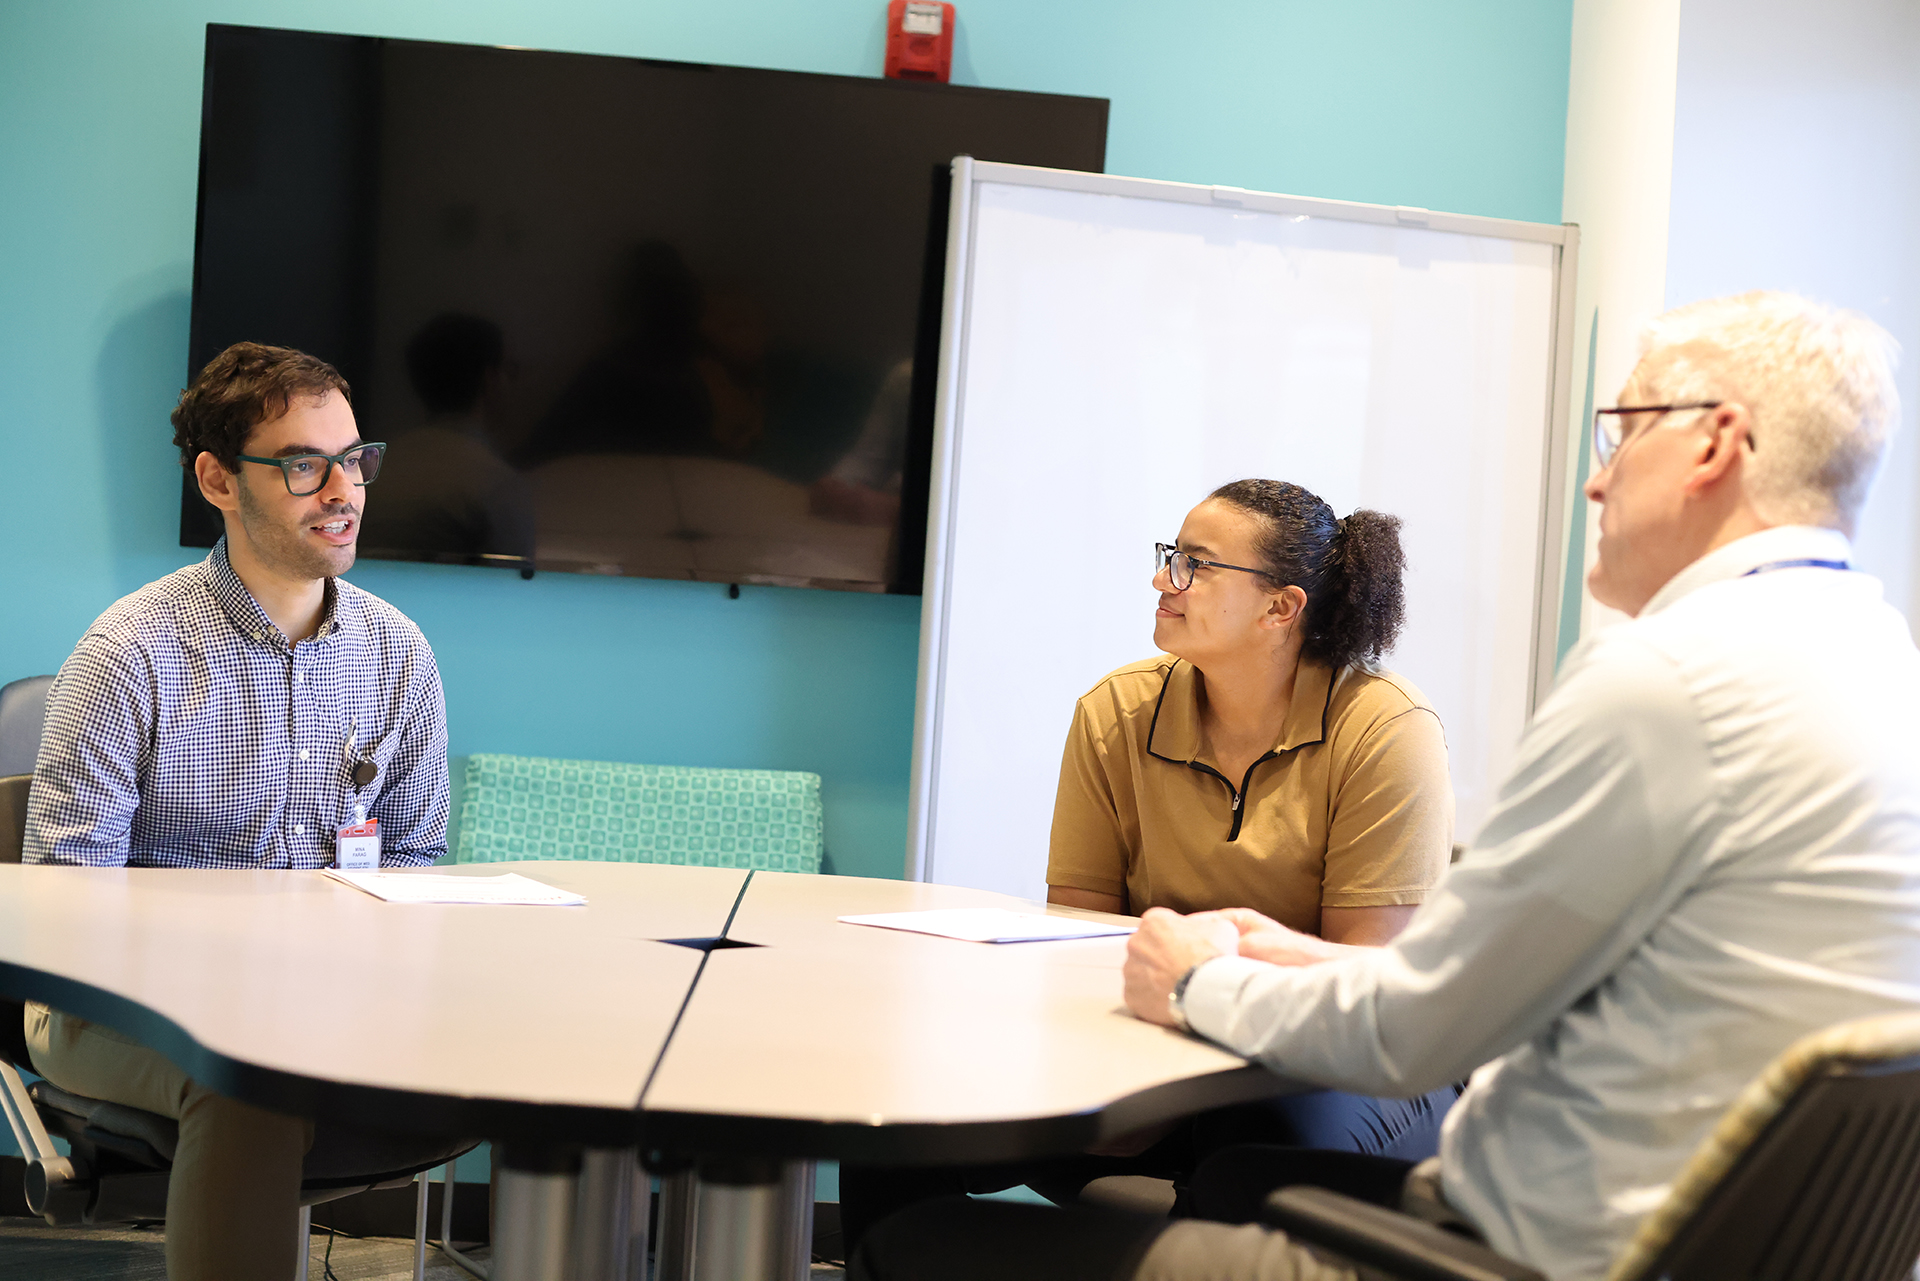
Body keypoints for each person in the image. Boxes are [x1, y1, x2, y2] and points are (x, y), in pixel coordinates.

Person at [852, 291, 1920, 1281]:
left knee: (923, 1235)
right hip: (1669, 1236)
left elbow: (1417, 1034)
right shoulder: (1873, 661)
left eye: (1623, 430)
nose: (1598, 478)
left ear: (1713, 442)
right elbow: (1520, 987)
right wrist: (1290, 952)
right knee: (1234, 1177)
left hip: (1509, 1252)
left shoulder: (1665, 682)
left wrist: (1188, 978)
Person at [841, 481, 1457, 1251]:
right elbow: (1078, 942)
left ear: (1280, 608)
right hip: (1158, 1041)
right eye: (1172, 557)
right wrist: (1133, 1087)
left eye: (1195, 565)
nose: (1164, 581)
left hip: (1334, 1061)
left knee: (1252, 1145)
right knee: (893, 1113)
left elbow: (1368, 975)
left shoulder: (1386, 727)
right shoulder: (1116, 712)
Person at [23, 341, 450, 1280]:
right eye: (304, 464)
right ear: (217, 479)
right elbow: (67, 912)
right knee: (246, 1082)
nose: (344, 489)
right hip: (116, 1007)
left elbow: (419, 864)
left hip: (321, 990)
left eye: (355, 459)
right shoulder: (130, 653)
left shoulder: (399, 655)